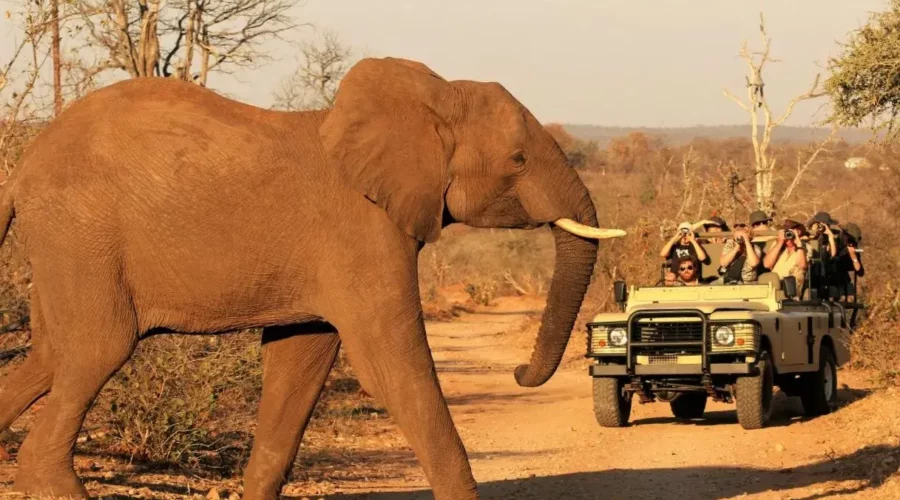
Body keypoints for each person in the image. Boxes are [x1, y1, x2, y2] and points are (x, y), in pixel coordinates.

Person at [764, 219, 809, 286]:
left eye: (792, 232)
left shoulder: (805, 247)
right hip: (775, 284)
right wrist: (780, 242)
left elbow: (802, 267)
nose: (789, 236)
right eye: (786, 232)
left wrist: (799, 245)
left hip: (792, 286)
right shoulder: (778, 246)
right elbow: (767, 264)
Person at [830, 222, 865, 295]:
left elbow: (860, 272)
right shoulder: (834, 240)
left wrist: (853, 256)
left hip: (838, 280)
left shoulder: (850, 249)